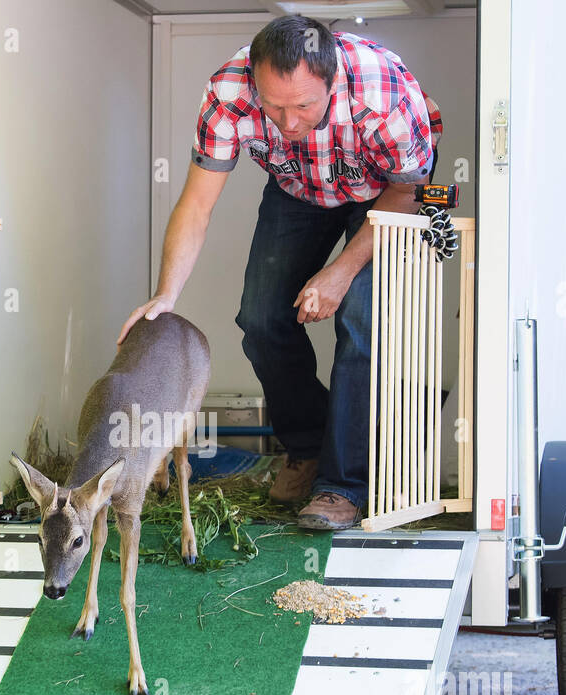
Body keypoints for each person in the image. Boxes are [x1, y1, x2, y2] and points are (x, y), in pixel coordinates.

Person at [117, 14, 442, 530]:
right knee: (263, 318)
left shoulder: (380, 92)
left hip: (386, 194)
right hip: (300, 190)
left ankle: (342, 485)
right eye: (274, 106)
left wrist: (339, 272)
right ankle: (308, 449)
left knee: (362, 320)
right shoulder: (227, 91)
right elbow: (197, 204)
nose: (288, 123)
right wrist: (165, 296)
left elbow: (408, 190)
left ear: (333, 81)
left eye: (304, 106)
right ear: (254, 79)